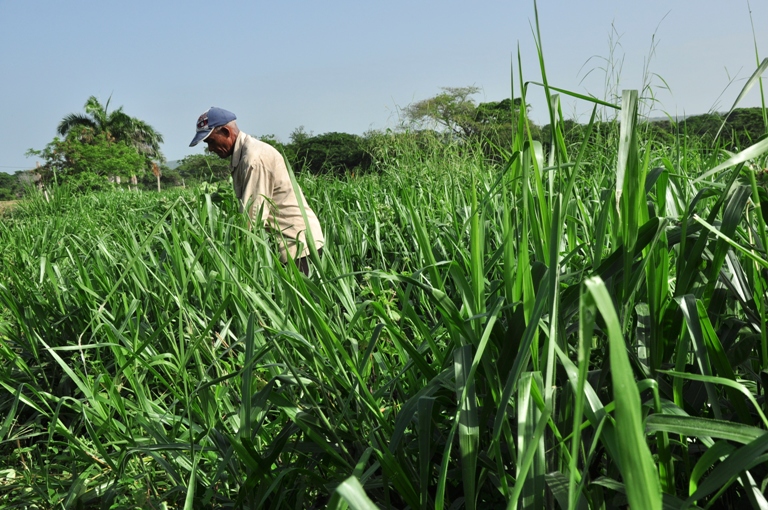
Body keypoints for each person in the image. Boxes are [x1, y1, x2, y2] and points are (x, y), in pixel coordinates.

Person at [189, 107, 324, 274]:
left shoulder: (254, 158)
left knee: (301, 299)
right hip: (287, 243)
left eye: (211, 141)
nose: (210, 149)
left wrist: (238, 259)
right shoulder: (244, 156)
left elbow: (253, 215)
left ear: (225, 131)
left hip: (297, 244)